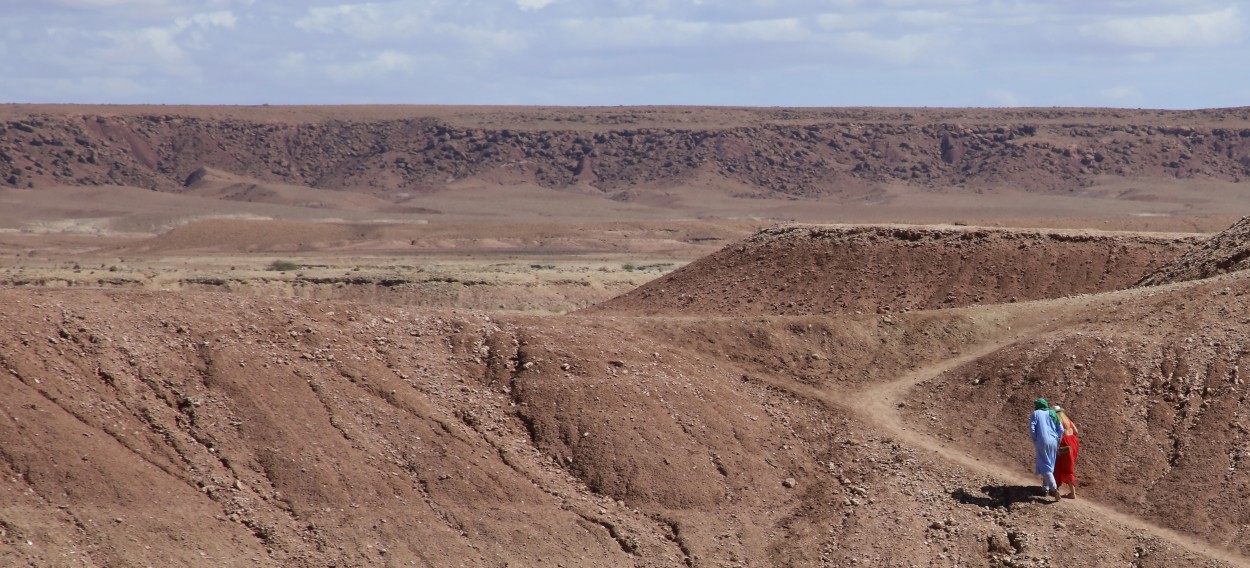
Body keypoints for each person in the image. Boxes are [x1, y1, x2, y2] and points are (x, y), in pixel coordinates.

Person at [1029, 398, 1062, 501]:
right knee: (1050, 464)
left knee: (1044, 466)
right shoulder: (1052, 413)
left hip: (1042, 441)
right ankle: (1045, 489)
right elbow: (1060, 429)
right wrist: (1056, 438)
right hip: (1053, 441)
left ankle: (1054, 489)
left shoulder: (1036, 413)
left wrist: (1035, 439)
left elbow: (1032, 428)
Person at [1052, 404, 1079, 499]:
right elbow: (1076, 431)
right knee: (1068, 466)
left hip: (1064, 443)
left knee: (1058, 466)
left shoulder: (1056, 420)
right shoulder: (1068, 420)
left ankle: (1059, 490)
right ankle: (1071, 492)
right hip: (1073, 442)